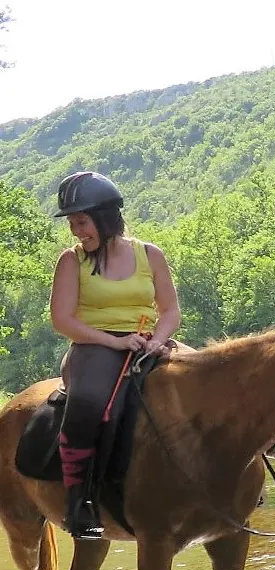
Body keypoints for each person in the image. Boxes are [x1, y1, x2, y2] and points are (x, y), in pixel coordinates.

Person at [48, 171, 181, 540]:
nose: (76, 231)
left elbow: (170, 310)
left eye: (81, 222)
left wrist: (158, 338)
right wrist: (114, 342)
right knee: (88, 403)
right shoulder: (71, 261)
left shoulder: (150, 254)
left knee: (208, 381)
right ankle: (79, 502)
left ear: (105, 218)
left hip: (149, 343)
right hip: (93, 347)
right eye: (73, 224)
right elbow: (63, 320)